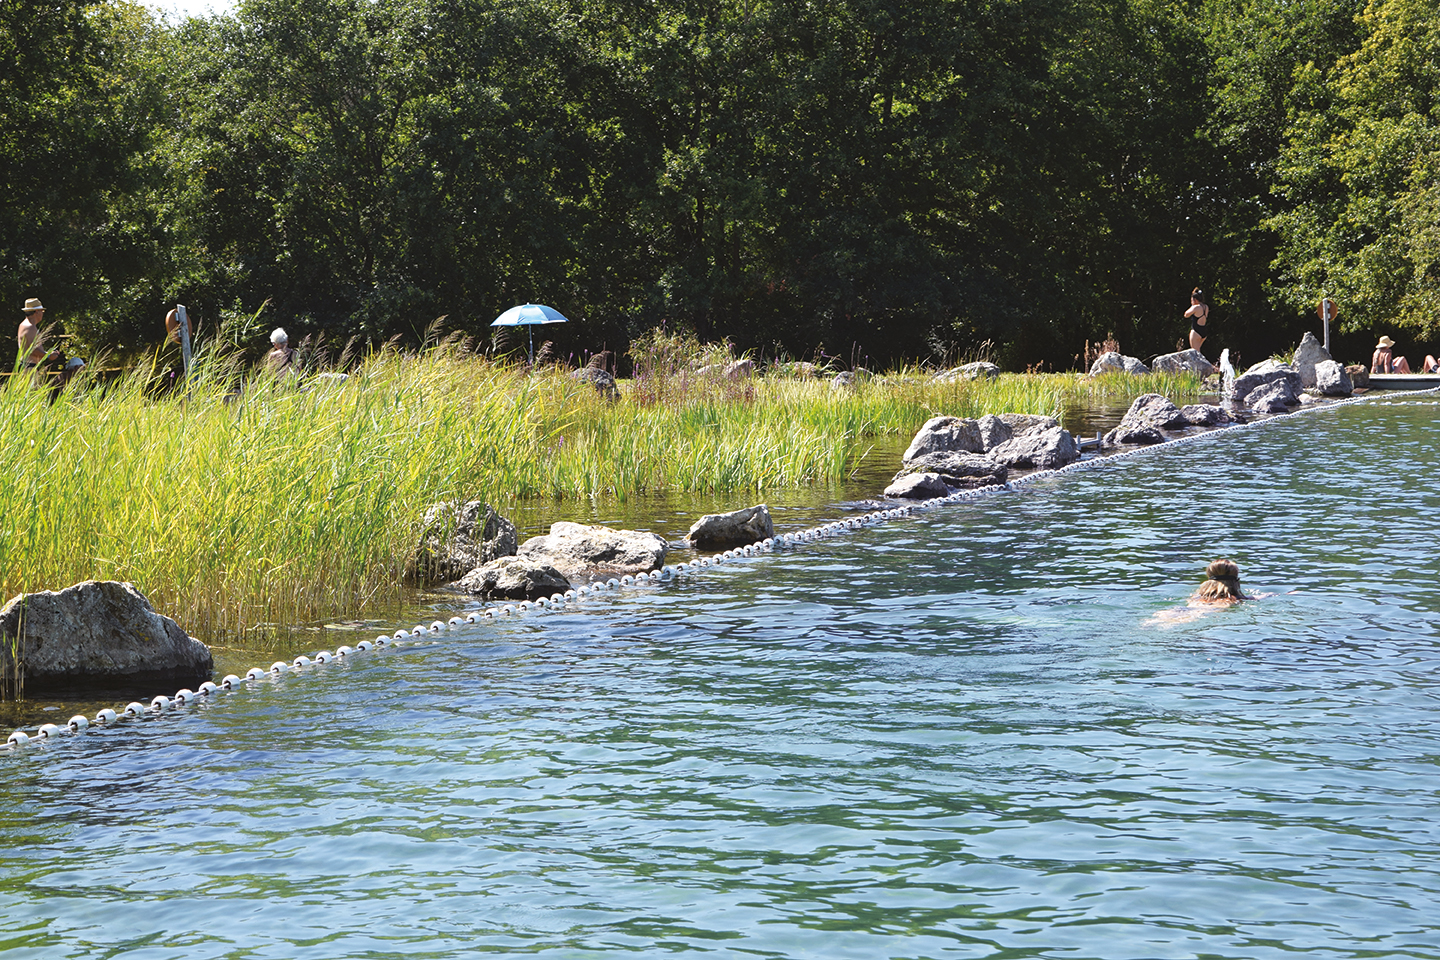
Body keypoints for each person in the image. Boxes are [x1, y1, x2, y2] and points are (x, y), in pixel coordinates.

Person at [17, 298, 46, 367]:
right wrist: (49, 355)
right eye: (42, 311)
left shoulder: (24, 325)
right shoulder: (30, 327)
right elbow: (33, 350)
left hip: (28, 366)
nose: (42, 313)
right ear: (37, 311)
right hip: (29, 367)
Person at [1186, 288, 1209, 353]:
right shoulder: (1206, 307)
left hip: (1196, 332)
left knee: (1195, 353)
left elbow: (1186, 314)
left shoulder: (1196, 307)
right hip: (1203, 331)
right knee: (1198, 352)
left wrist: (1192, 306)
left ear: (1195, 299)